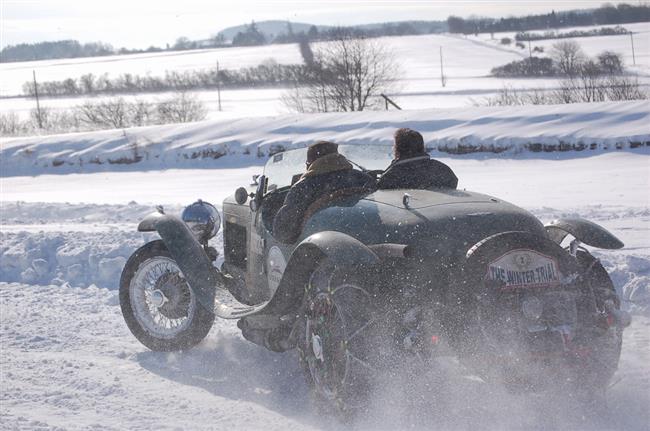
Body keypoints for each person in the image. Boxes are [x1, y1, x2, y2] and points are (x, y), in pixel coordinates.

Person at [272, 141, 372, 244]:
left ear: (310, 163)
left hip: (319, 250)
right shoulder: (364, 179)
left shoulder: (303, 188)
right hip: (369, 240)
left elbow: (283, 233)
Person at [378, 128, 458, 190]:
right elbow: (453, 182)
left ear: (399, 149)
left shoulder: (392, 176)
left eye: (394, 145)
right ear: (421, 146)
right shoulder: (442, 169)